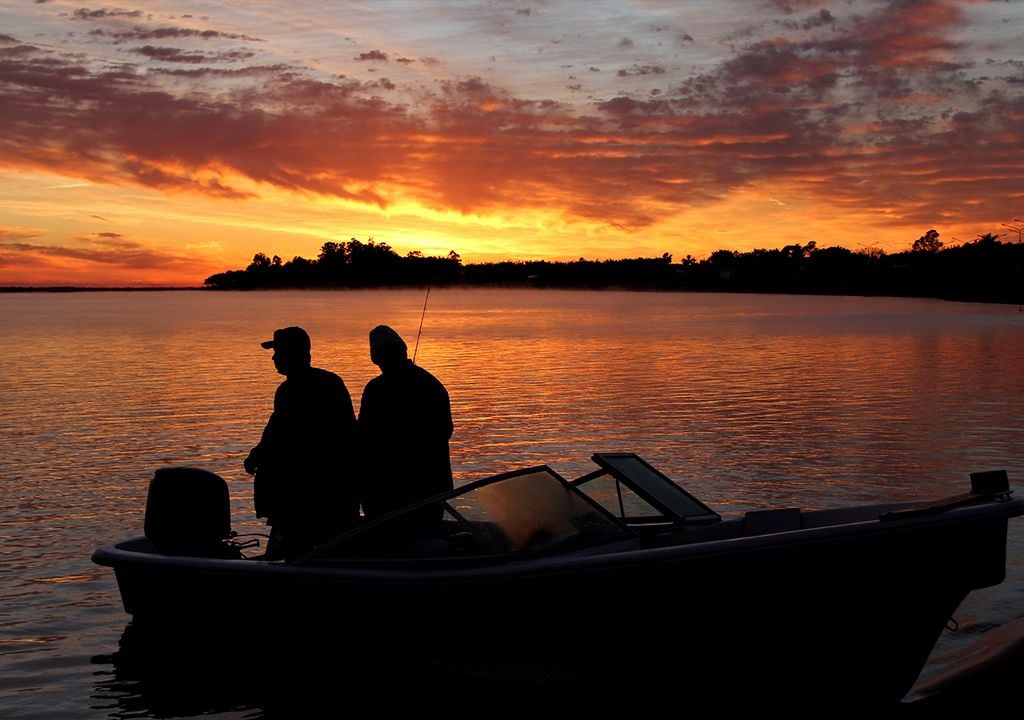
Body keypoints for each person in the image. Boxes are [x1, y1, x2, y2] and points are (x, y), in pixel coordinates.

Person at [244, 326, 357, 560]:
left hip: (313, 496)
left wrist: (261, 455)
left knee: (305, 551)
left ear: (293, 353)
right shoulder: (291, 389)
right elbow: (275, 431)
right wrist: (257, 454)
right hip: (307, 495)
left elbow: (286, 435)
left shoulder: (314, 387)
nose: (274, 358)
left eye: (278, 352)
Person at [357, 325, 453, 538]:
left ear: (377, 358)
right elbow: (445, 430)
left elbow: (363, 437)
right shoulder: (432, 384)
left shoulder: (375, 390)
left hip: (399, 489)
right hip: (432, 485)